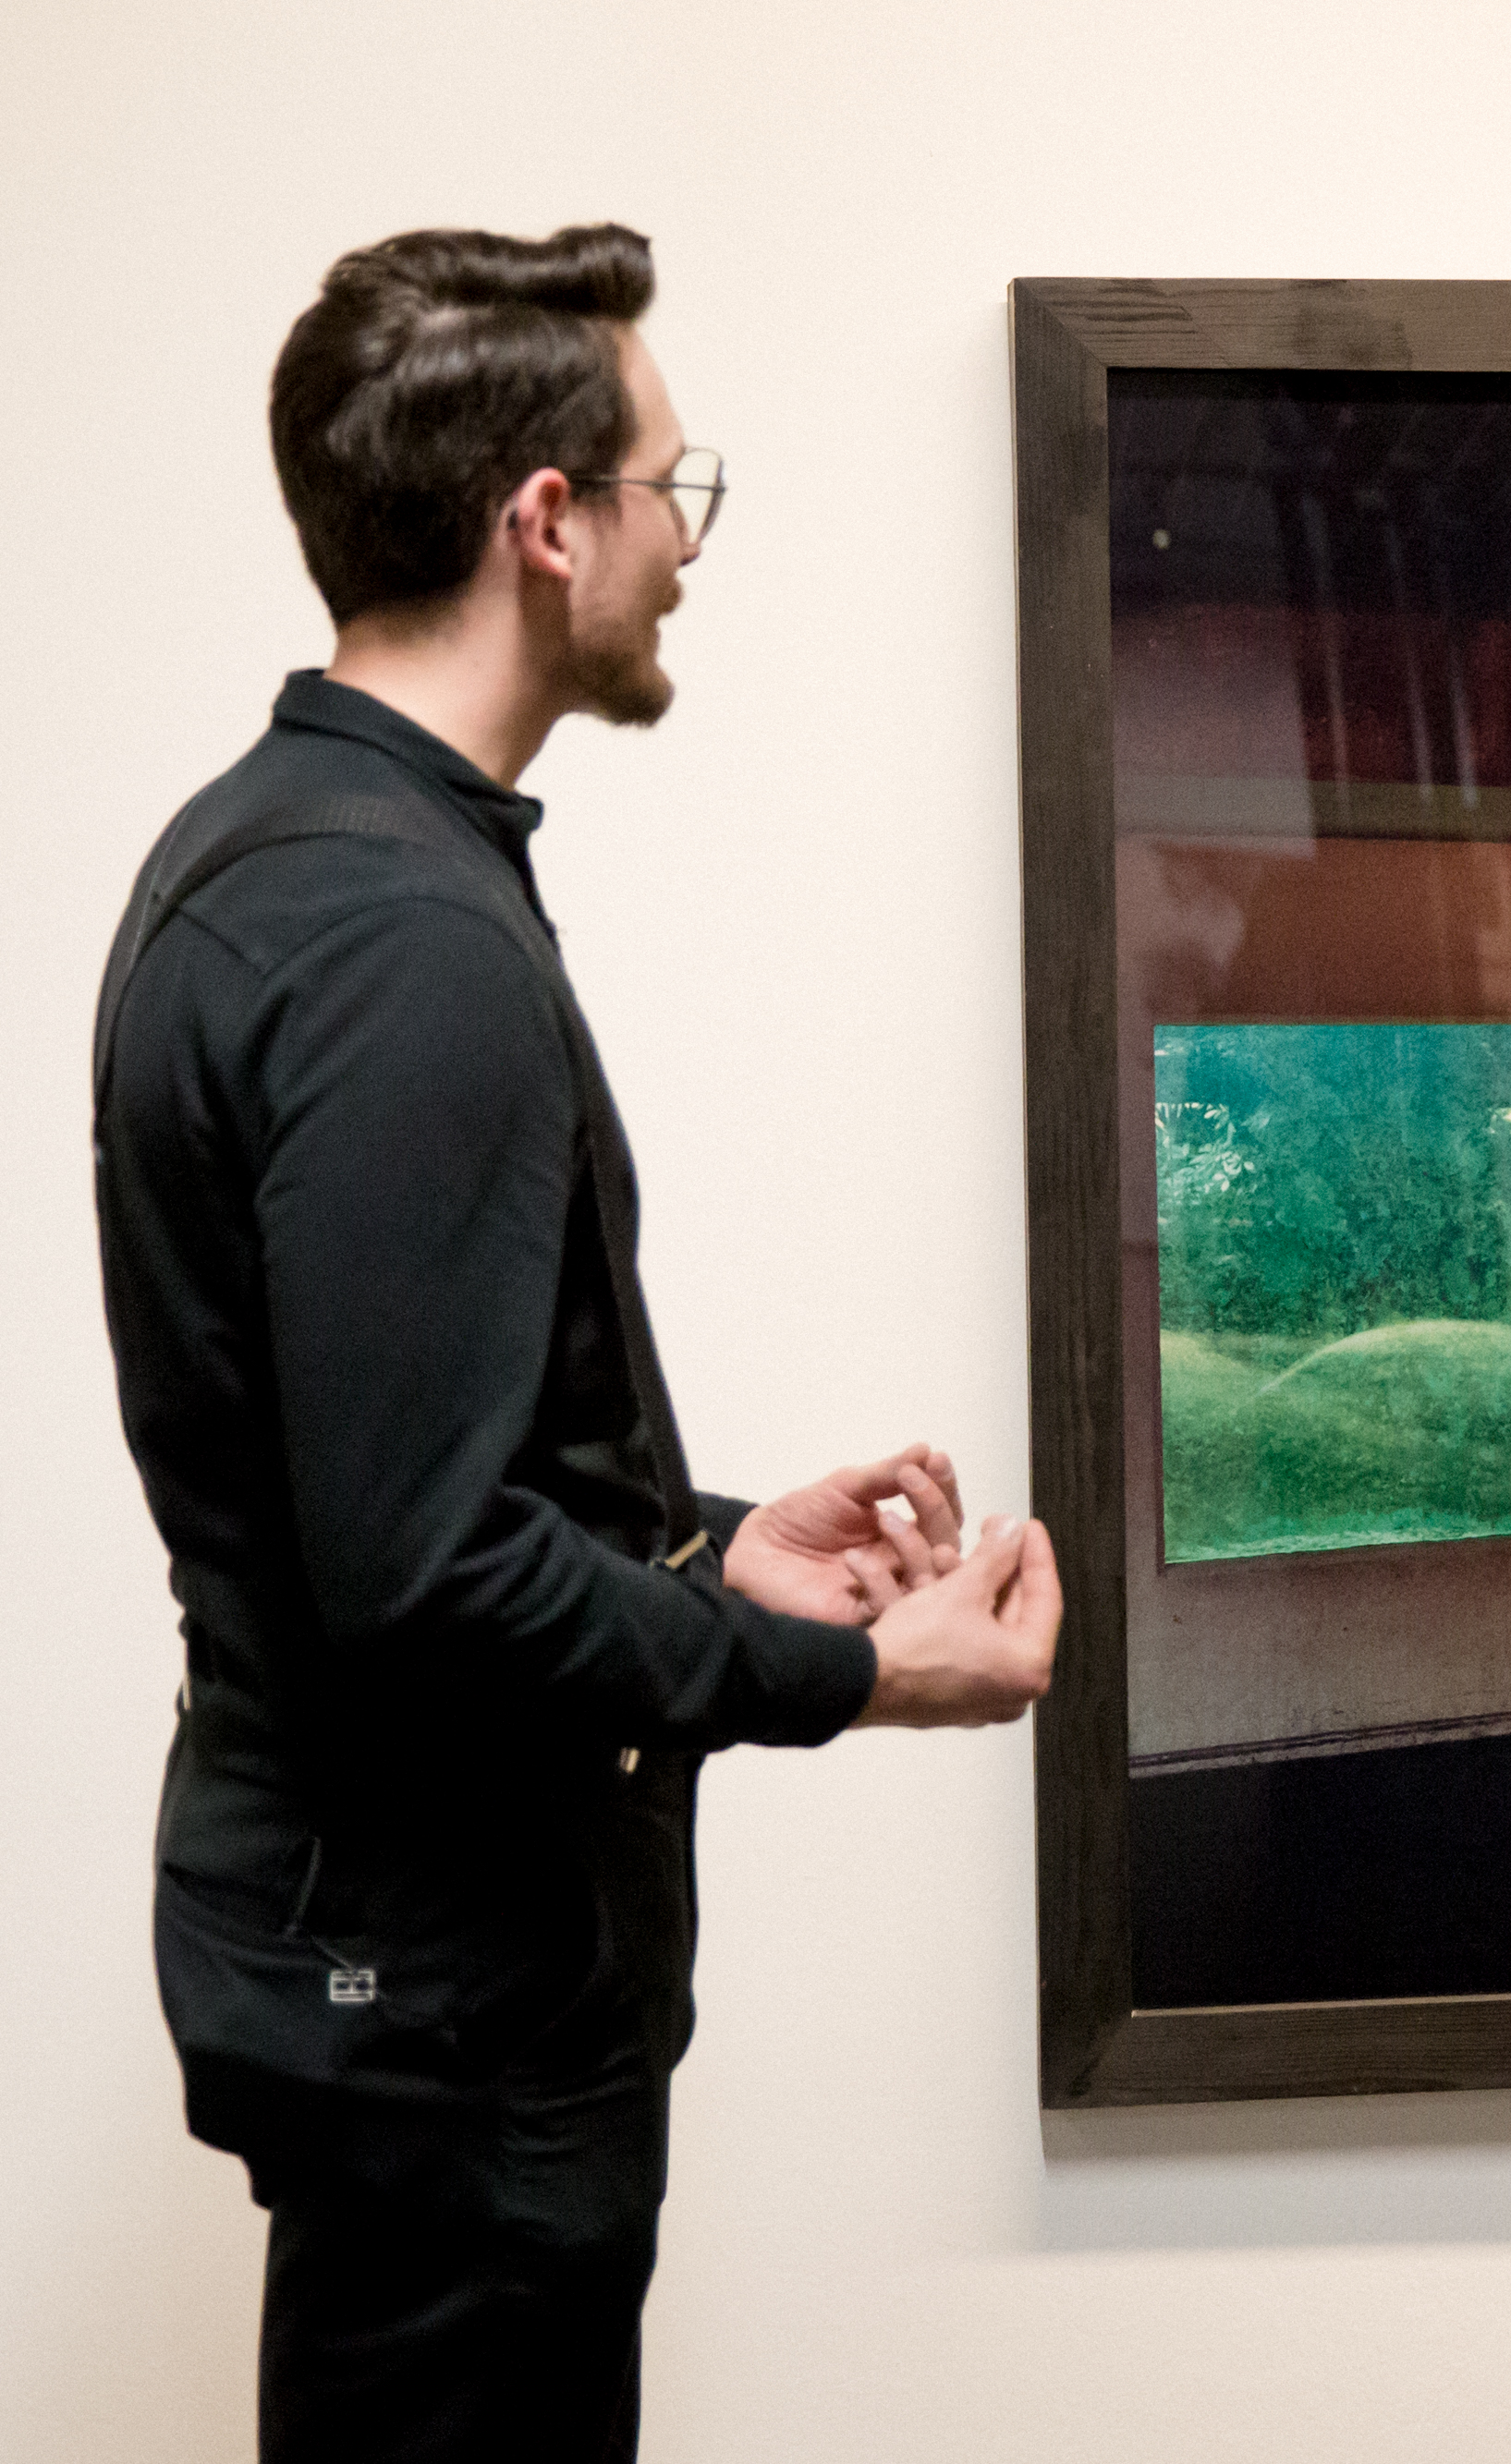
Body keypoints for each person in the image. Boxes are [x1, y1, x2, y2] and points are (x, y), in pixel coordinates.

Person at [88, 224, 1059, 2461]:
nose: (677, 547)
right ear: (546, 521)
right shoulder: (397, 938)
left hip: (383, 1990)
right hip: (445, 2026)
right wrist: (850, 1669)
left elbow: (391, 1475)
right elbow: (418, 1574)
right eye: (662, 486)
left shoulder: (277, 857)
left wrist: (702, 1547)